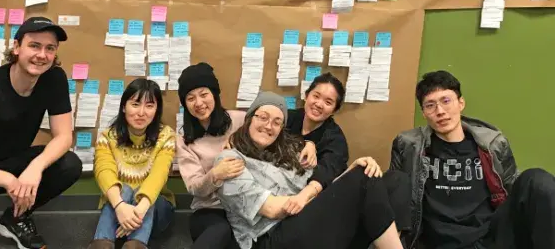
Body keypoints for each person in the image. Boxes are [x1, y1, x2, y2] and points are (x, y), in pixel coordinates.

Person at [215, 91, 410, 249]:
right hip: (273, 236)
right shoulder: (230, 160)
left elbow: (324, 189)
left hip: (306, 223)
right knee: (363, 181)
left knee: (393, 179)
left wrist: (352, 169)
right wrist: (313, 198)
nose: (268, 126)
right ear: (249, 119)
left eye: (276, 122)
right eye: (263, 117)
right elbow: (272, 209)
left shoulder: (286, 154)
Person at [0, 16, 82, 249]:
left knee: (69, 164)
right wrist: (7, 180)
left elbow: (64, 136)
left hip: (16, 162)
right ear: (17, 48)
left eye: (50, 48)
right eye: (34, 45)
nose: (42, 55)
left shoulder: (54, 78)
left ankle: (14, 218)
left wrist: (36, 166)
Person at [390, 70, 555, 249]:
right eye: (430, 105)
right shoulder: (408, 146)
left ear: (461, 103)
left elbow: (511, 186)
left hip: (491, 238)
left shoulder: (493, 143)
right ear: (423, 113)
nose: (440, 111)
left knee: (537, 180)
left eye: (446, 101)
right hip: (438, 242)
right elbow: (395, 193)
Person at [176, 63, 316, 249]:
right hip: (212, 208)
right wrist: (215, 175)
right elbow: (195, 188)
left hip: (248, 202)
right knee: (220, 233)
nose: (199, 103)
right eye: (190, 98)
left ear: (215, 95)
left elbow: (276, 129)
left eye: (204, 94)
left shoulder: (240, 119)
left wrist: (310, 143)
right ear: (185, 103)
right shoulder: (183, 139)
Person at [286, 72, 411, 228]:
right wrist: (306, 143)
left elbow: (327, 172)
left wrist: (302, 198)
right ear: (306, 95)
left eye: (328, 102)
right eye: (316, 96)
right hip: (276, 188)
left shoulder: (335, 138)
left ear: (334, 110)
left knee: (395, 181)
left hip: (313, 200)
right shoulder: (286, 118)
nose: (319, 104)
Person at [88, 78, 176, 249]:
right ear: (123, 107)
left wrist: (138, 211)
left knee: (143, 193)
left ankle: (134, 244)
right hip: (118, 209)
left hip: (156, 210)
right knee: (125, 189)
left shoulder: (166, 136)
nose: (141, 112)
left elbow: (159, 175)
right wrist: (121, 208)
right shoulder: (108, 136)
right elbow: (104, 171)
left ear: (156, 111)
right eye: (135, 104)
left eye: (149, 106)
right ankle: (103, 244)